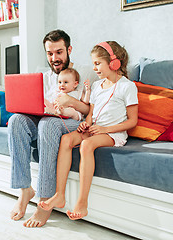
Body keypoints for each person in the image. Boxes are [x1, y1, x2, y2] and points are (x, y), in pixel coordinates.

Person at [38, 41, 138, 221]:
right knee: (66, 140)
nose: (95, 68)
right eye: (93, 64)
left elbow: (132, 121)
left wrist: (104, 129)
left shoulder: (127, 86)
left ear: (114, 62)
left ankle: (82, 203)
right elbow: (91, 114)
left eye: (98, 63)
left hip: (112, 133)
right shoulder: (98, 86)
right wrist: (87, 123)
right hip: (95, 128)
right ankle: (59, 195)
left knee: (86, 145)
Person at [8, 29, 90, 228]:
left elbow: (89, 110)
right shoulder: (43, 77)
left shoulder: (86, 73)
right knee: (16, 121)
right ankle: (25, 189)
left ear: (69, 49)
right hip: (46, 117)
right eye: (50, 53)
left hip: (73, 121)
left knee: (48, 124)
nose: (54, 58)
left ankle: (45, 200)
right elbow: (36, 106)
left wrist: (70, 101)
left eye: (59, 52)